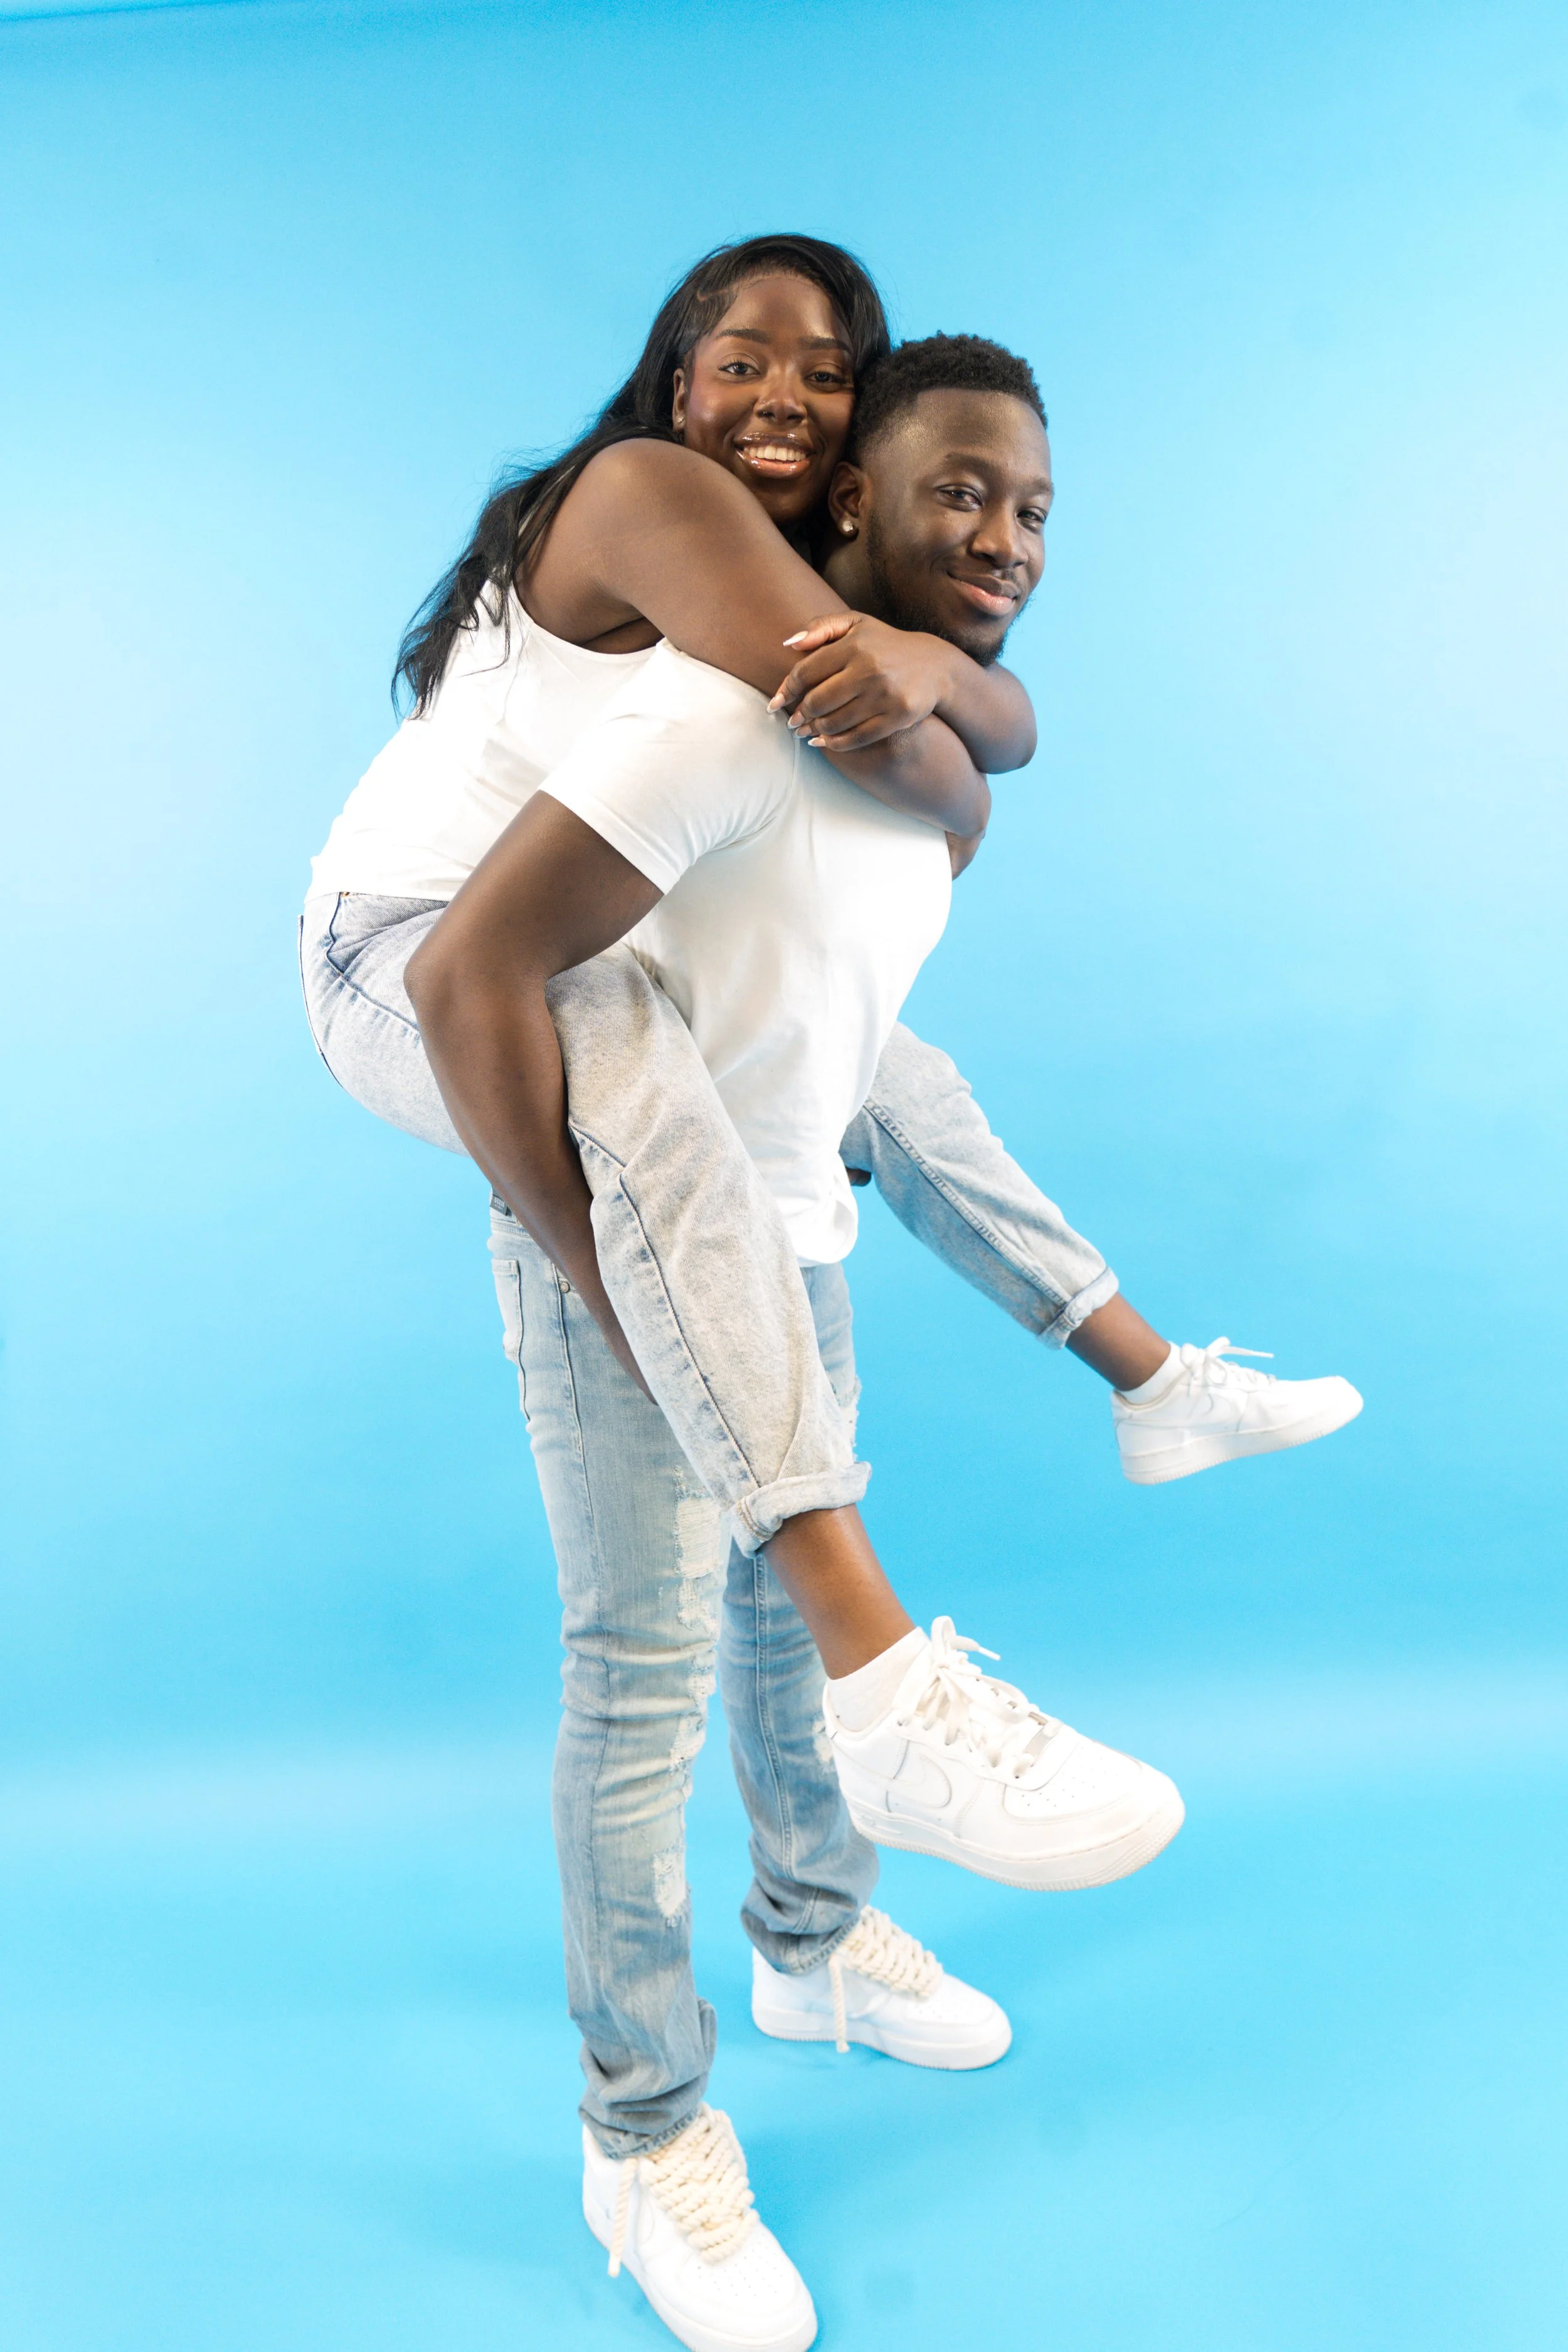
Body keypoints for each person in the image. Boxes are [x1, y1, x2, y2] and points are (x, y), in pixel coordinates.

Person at [300, 240, 1360, 2352]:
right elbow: (938, 756)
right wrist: (606, 1276)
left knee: (872, 1061)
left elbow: (965, 741)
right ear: (668, 375)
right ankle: (645, 2124)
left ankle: (820, 1927)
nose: (781, 394)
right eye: (740, 355)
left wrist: (948, 690)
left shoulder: (776, 629)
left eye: (826, 369)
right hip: (437, 975)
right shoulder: (647, 505)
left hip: (649, 1037)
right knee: (646, 1662)